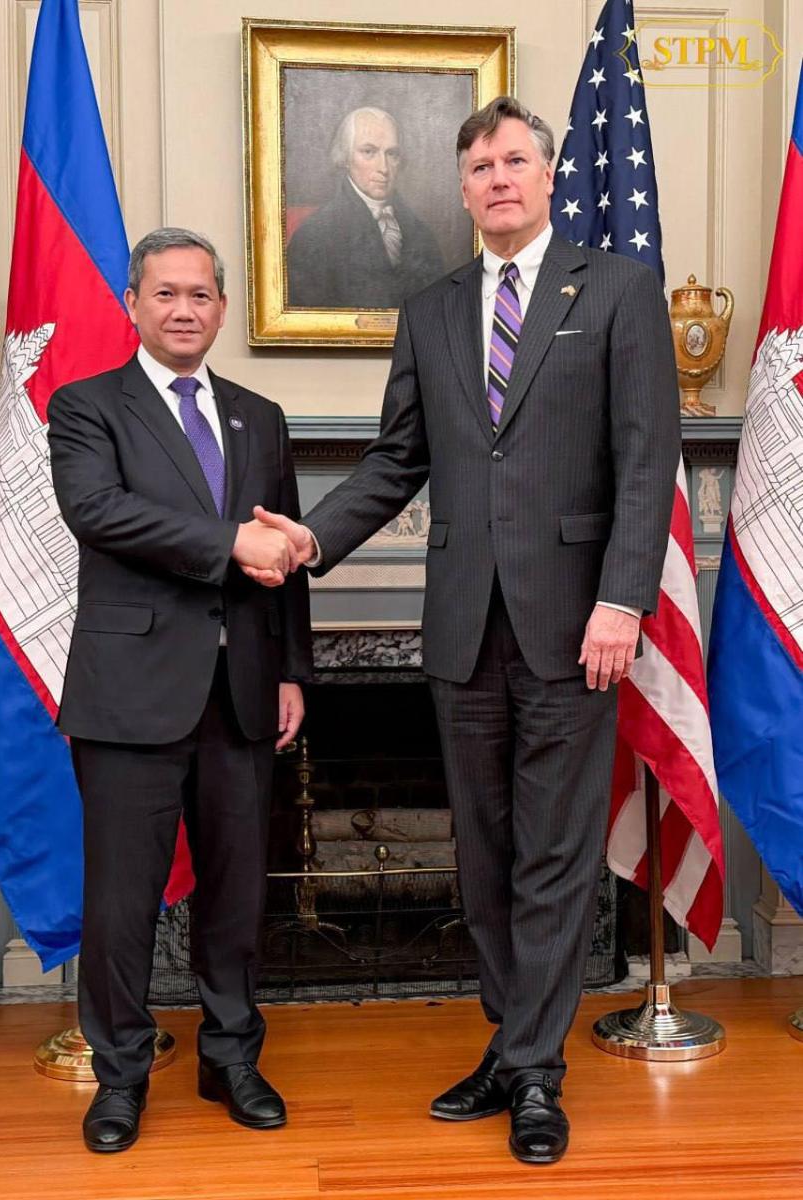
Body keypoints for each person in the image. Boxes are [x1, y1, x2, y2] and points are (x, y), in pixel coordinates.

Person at [252, 96, 680, 1165]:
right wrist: (311, 539)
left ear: (547, 176)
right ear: (461, 187)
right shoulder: (432, 309)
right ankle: (515, 1042)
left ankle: (534, 1074)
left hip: (577, 626)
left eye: (514, 161)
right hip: (460, 629)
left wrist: (622, 600)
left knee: (554, 855)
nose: (497, 178)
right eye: (480, 165)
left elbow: (646, 460)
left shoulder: (616, 289)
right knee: (484, 857)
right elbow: (398, 460)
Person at [48, 227, 313, 1153]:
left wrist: (291, 669)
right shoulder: (87, 406)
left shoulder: (259, 416)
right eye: (165, 293)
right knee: (122, 902)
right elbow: (99, 512)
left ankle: (230, 1058)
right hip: (130, 694)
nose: (184, 309)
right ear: (133, 304)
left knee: (237, 895)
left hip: (243, 690)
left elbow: (288, 556)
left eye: (200, 294)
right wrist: (229, 541)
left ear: (223, 308)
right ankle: (120, 1075)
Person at [286, 106, 445, 309]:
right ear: (346, 158)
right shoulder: (313, 237)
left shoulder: (422, 235)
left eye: (392, 154)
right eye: (368, 152)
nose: (383, 168)